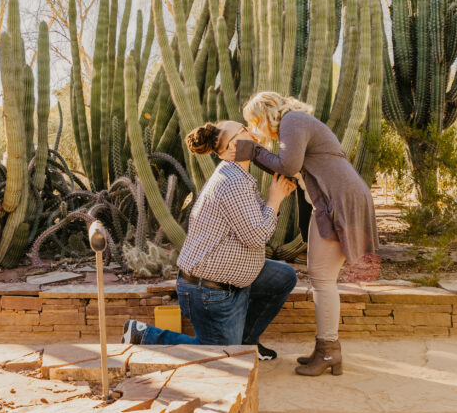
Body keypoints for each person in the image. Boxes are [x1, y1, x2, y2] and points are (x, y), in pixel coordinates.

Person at [121, 120, 298, 360]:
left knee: (284, 277)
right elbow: (257, 236)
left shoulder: (239, 175)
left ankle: (247, 344)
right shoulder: (232, 182)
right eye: (245, 128)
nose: (252, 130)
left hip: (232, 281)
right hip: (209, 291)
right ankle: (145, 335)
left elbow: (254, 224)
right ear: (233, 147)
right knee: (223, 358)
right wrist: (275, 200)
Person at [231, 91, 380, 377]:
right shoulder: (296, 124)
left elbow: (288, 166)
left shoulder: (293, 120)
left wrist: (251, 148)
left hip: (340, 201)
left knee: (323, 279)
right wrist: (254, 150)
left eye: (253, 122)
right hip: (331, 203)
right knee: (320, 276)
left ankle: (329, 352)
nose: (253, 129)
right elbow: (288, 169)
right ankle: (325, 349)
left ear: (265, 115)